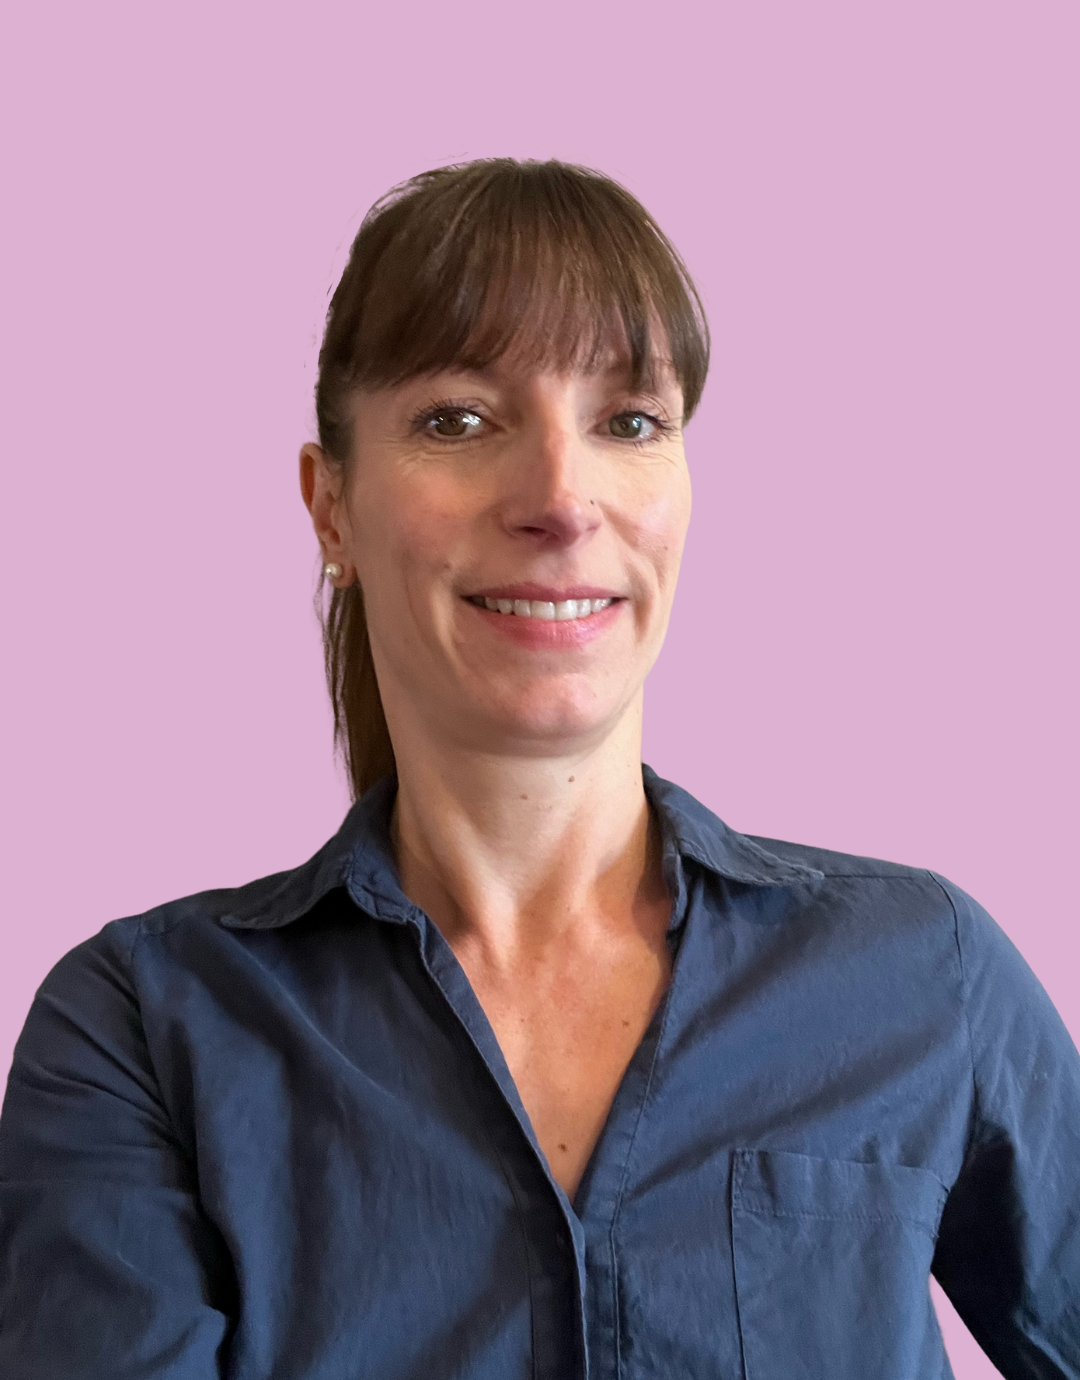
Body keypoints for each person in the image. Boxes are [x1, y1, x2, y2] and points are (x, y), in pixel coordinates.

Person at [0, 158, 1077, 1380]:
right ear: (331, 508)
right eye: (458, 419)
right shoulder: (142, 1029)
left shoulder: (924, 971)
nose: (563, 498)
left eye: (629, 422)